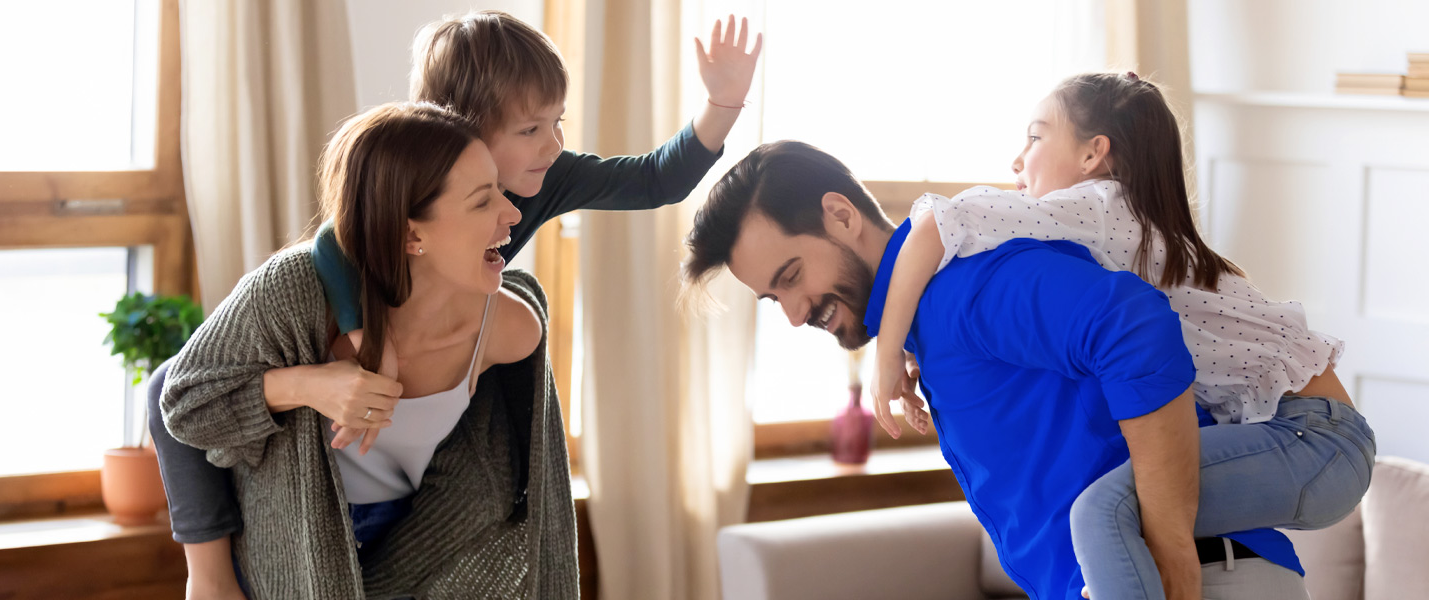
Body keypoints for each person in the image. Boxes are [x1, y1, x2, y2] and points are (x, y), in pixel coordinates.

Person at [149, 10, 761, 598]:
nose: (552, 146)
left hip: (396, 474)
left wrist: (722, 105)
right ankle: (205, 574)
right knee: (164, 387)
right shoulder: (373, 222)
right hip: (281, 440)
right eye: (529, 129)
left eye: (558, 122)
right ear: (455, 130)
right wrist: (366, 341)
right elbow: (329, 247)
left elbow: (655, 179)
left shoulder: (545, 180)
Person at [681, 140, 1320, 600]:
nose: (794, 314)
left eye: (791, 277)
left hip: (1196, 579)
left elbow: (1133, 325)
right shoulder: (925, 327)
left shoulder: (963, 288)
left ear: (842, 216)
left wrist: (1173, 539)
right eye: (773, 298)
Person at [867, 72, 1375, 599]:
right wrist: (914, 348)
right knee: (1115, 507)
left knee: (1103, 508)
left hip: (1315, 441)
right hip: (1323, 446)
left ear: (1094, 155)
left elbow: (939, 222)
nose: (1018, 160)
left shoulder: (1102, 206)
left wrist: (883, 361)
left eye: (1036, 137)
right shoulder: (1134, 222)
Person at [158, 102, 574, 598]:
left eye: (500, 192)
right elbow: (184, 404)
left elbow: (518, 484)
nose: (512, 214)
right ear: (410, 233)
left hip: (409, 545)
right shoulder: (294, 292)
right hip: (281, 548)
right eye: (483, 201)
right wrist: (308, 386)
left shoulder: (511, 328)